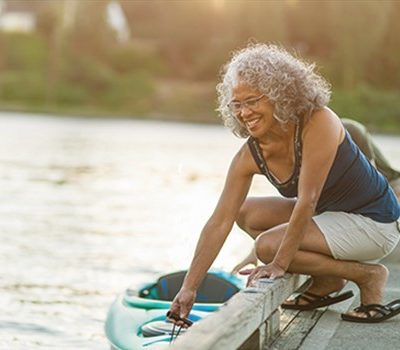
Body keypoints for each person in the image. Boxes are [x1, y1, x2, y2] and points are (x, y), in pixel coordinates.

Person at [167, 44, 400, 325]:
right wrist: (189, 287)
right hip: (331, 217)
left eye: (253, 100)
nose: (244, 112)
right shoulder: (249, 154)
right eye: (237, 104)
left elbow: (308, 200)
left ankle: (368, 275)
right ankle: (328, 279)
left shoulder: (318, 121)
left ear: (280, 95)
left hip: (375, 223)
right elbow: (220, 221)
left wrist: (277, 263)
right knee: (247, 212)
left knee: (267, 247)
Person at [232, 118, 400, 274]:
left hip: (380, 201)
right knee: (254, 218)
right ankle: (325, 275)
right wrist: (255, 252)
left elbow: (369, 183)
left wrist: (278, 260)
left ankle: (360, 274)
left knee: (269, 245)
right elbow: (307, 199)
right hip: (331, 205)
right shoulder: (297, 140)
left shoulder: (348, 131)